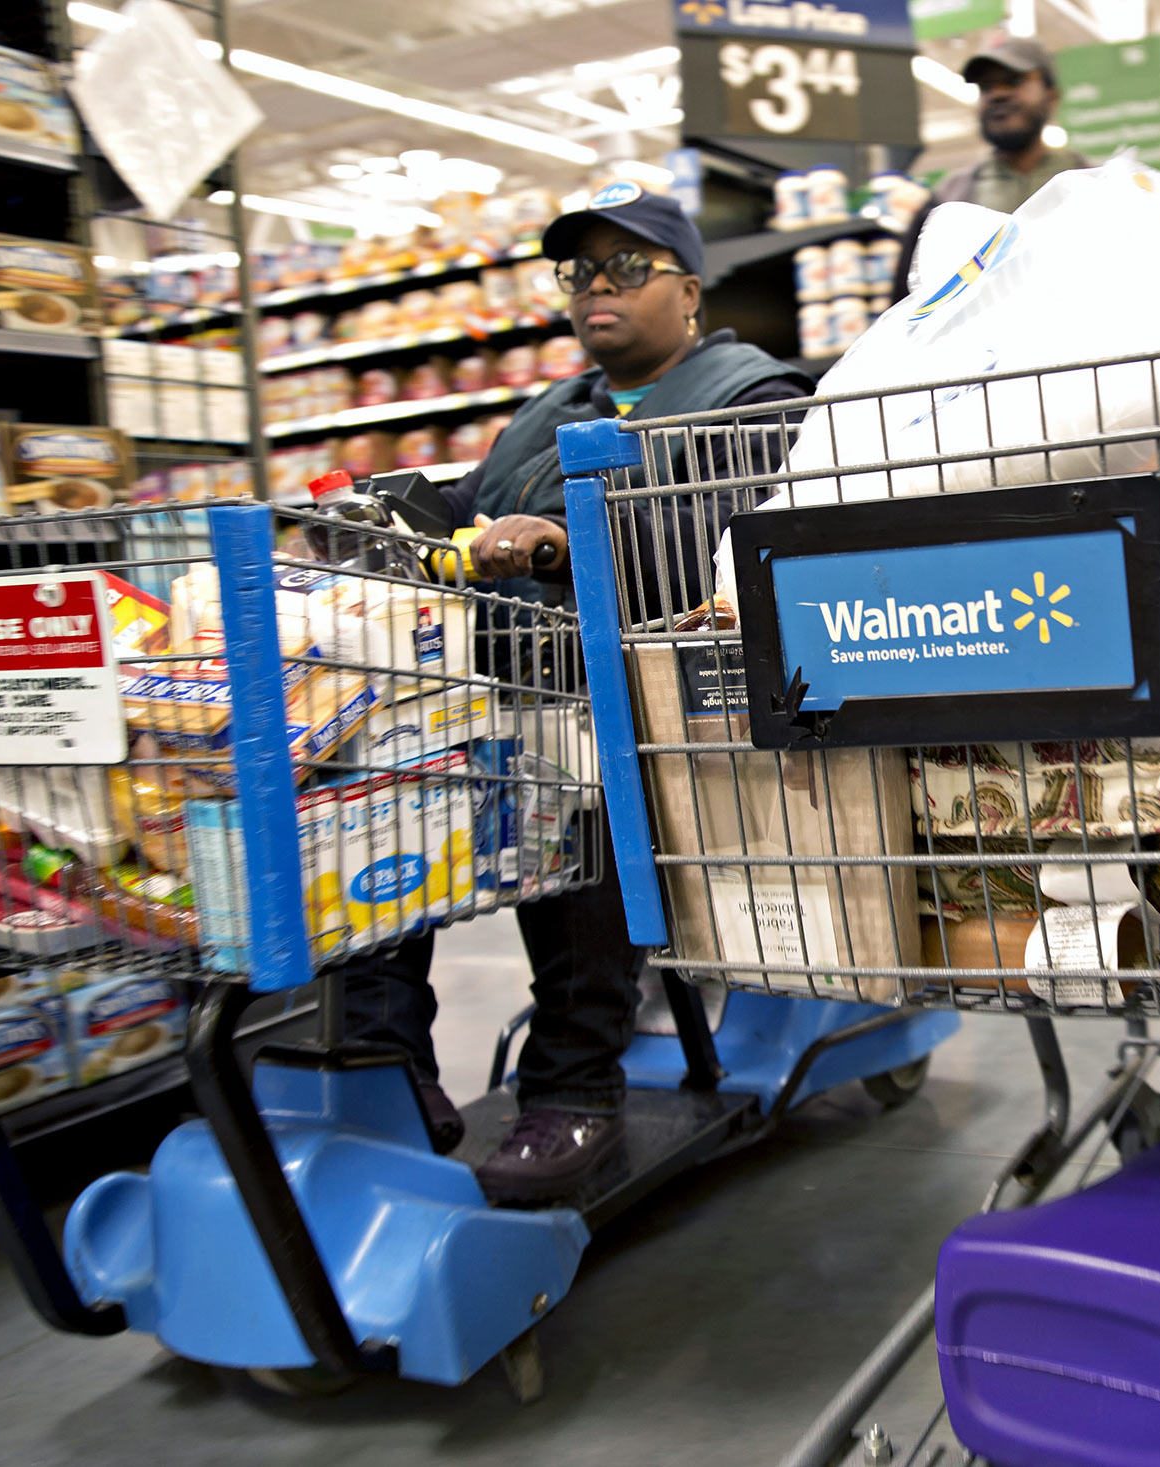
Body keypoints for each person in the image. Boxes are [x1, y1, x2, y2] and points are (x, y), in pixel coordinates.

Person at [337, 185, 812, 1206]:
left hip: (659, 710)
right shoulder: (551, 409)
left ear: (688, 289)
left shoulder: (754, 396)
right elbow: (470, 513)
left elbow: (733, 546)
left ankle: (575, 1090)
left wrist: (561, 545)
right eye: (579, 271)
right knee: (367, 804)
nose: (598, 287)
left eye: (628, 267)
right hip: (499, 703)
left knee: (587, 798)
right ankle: (384, 1073)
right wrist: (394, 525)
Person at [892, 37, 1093, 294]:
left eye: (1013, 81)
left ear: (1052, 97)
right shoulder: (947, 202)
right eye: (987, 86)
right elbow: (906, 307)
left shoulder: (1094, 186)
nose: (998, 94)